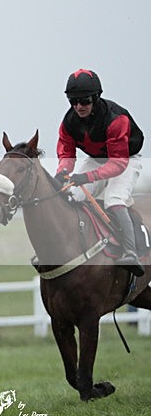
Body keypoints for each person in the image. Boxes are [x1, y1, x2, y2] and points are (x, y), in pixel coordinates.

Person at [54, 68, 144, 276]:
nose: (78, 106)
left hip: (126, 159)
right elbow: (67, 154)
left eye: (84, 101)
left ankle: (131, 252)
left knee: (114, 198)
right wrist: (62, 174)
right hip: (97, 159)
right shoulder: (68, 122)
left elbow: (118, 165)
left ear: (95, 98)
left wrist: (86, 177)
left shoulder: (115, 119)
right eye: (73, 101)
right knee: (73, 196)